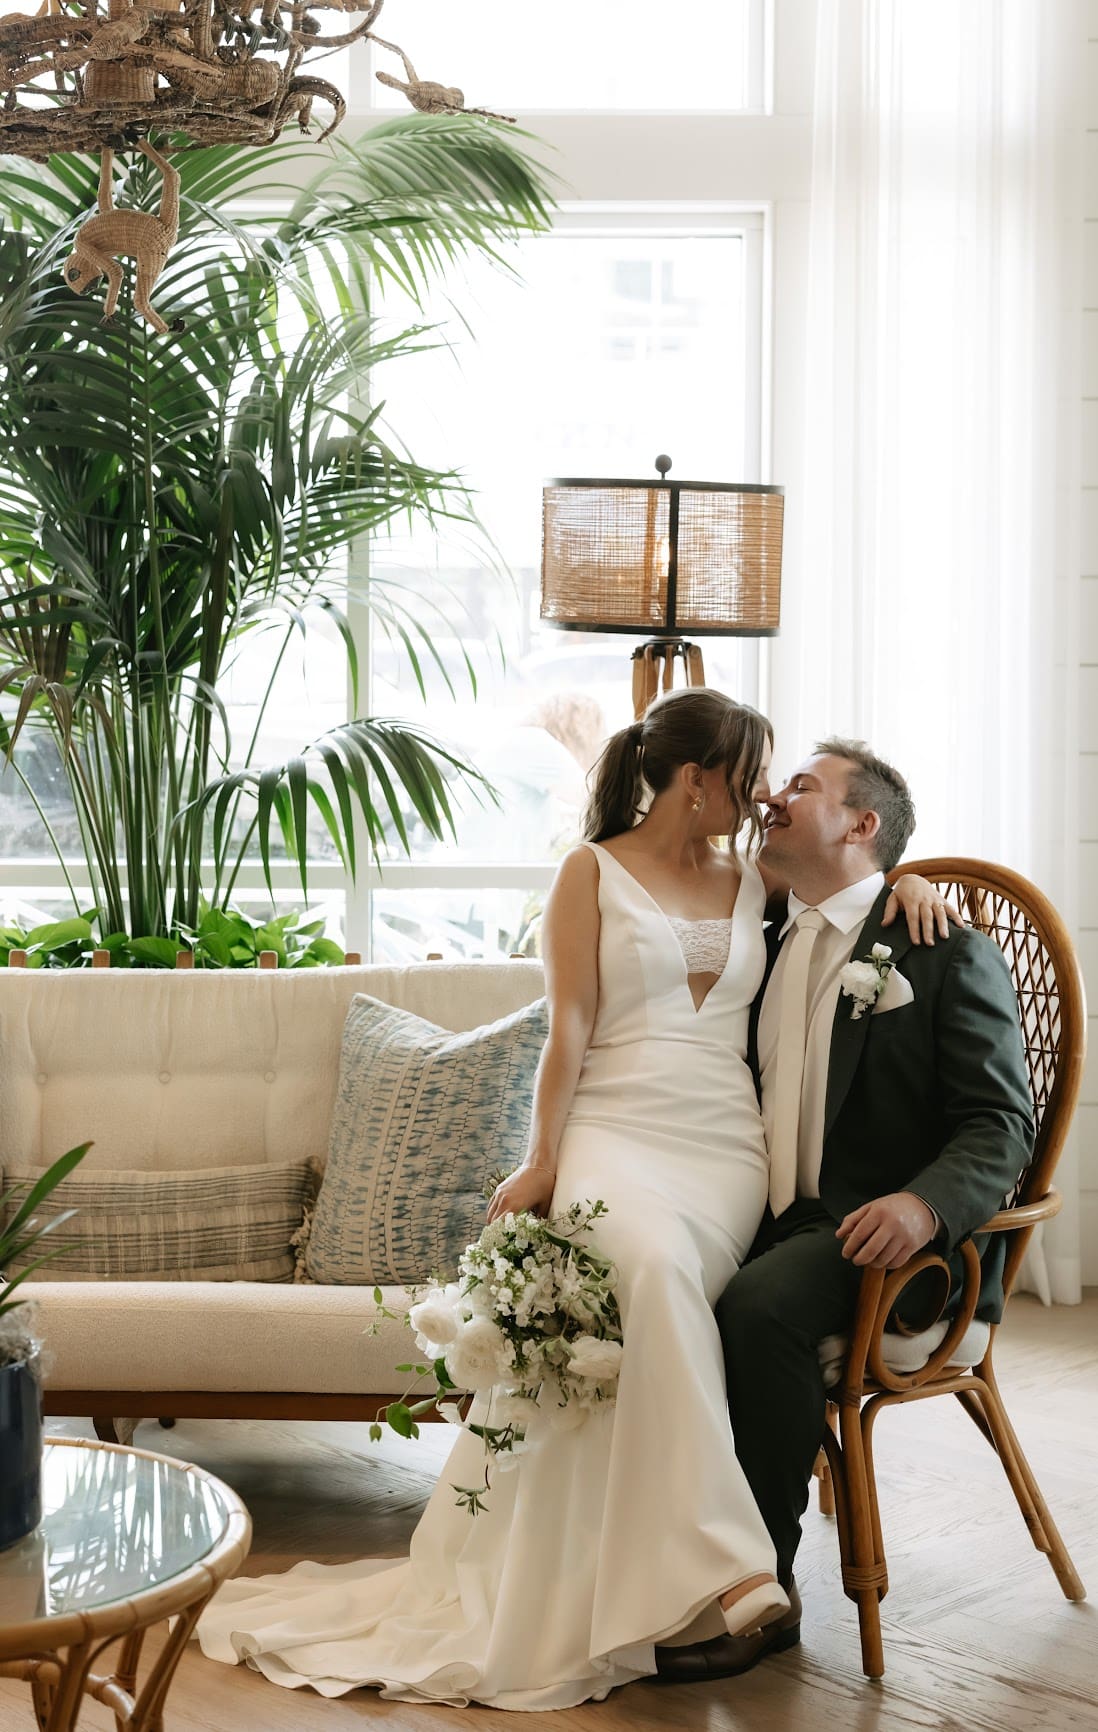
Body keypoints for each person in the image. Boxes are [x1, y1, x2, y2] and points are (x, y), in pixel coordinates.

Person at [195, 694, 949, 1710]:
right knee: (643, 1262)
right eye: (753, 773)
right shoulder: (588, 872)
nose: (769, 794)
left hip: (724, 1143)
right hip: (612, 1124)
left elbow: (852, 885)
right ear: (698, 779)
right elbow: (570, 1029)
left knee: (669, 1276)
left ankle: (688, 1567)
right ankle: (730, 1569)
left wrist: (925, 883)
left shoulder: (756, 877)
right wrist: (545, 1157)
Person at [656, 739, 1034, 1684]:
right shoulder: (767, 934)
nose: (777, 796)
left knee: (757, 1309)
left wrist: (922, 1205)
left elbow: (1000, 1125)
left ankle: (760, 1592)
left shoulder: (942, 950)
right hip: (760, 1212)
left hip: (881, 1242)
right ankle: (647, 1561)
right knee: (646, 1280)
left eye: (805, 787)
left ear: (862, 827)